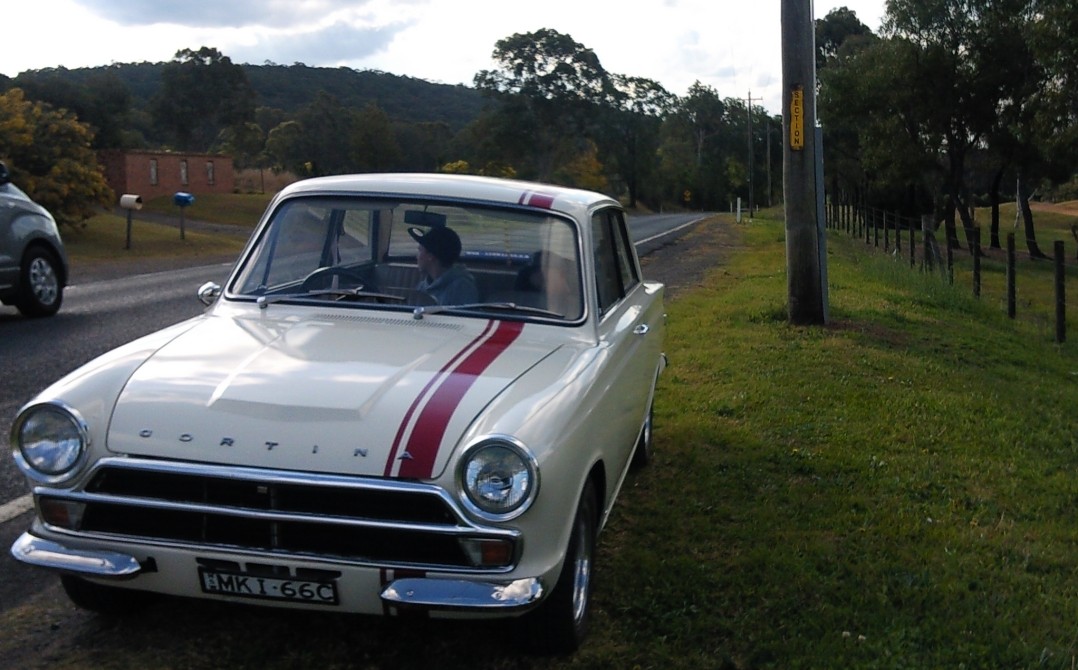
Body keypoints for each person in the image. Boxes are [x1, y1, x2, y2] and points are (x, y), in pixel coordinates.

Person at [409, 225, 479, 305]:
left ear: (430, 256)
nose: (417, 257)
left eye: (420, 250)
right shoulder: (423, 286)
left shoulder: (462, 287)